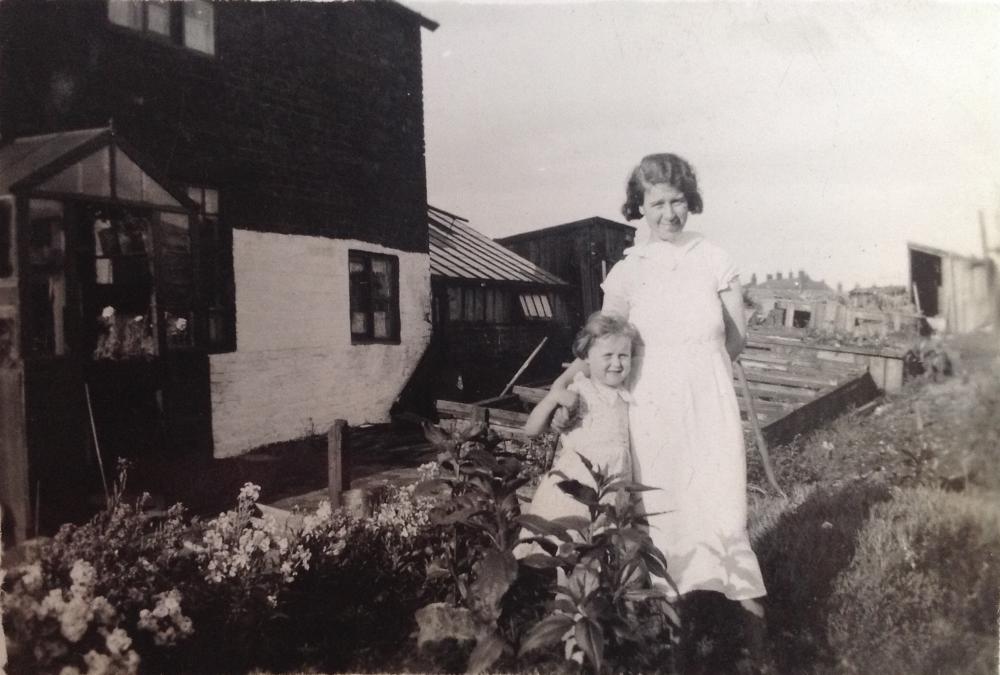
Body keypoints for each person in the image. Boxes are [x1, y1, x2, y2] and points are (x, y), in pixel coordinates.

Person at [550, 153, 767, 624]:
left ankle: (739, 598)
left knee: (719, 496)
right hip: (649, 404)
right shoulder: (629, 270)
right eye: (657, 204)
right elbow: (603, 342)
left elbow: (737, 337)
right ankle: (670, 604)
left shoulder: (715, 258)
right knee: (663, 502)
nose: (669, 213)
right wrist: (566, 388)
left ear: (691, 202)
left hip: (708, 400)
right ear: (639, 208)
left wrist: (700, 372)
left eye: (679, 201)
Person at [514, 312, 638, 558]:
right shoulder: (581, 392)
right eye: (608, 355)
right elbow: (531, 429)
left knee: (599, 551)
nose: (617, 363)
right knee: (567, 548)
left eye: (623, 355)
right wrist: (552, 398)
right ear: (586, 359)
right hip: (576, 491)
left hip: (611, 492)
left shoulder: (625, 395)